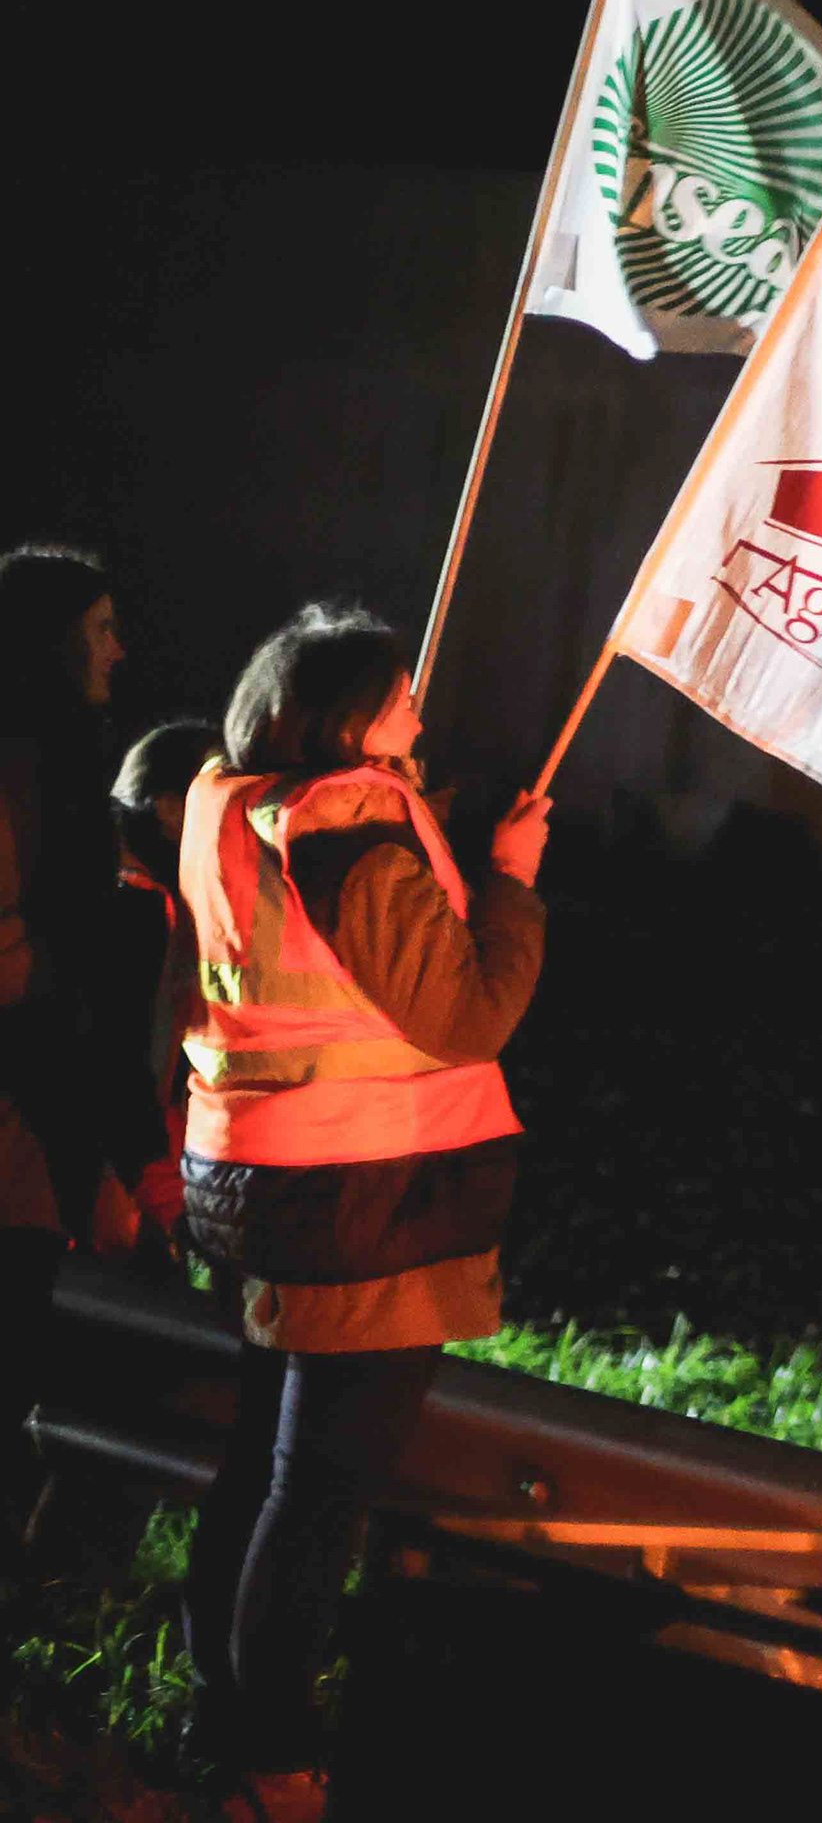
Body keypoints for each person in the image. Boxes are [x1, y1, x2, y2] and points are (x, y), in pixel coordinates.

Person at [175, 604, 552, 1808]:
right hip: (366, 1197)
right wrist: (511, 882)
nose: (420, 718)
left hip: (266, 1176)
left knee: (264, 1469)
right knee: (317, 1494)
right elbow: (467, 1015)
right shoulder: (352, 831)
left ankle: (223, 1716)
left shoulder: (240, 806)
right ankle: (276, 1760)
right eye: (402, 700)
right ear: (347, 719)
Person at [1, 543, 142, 1545]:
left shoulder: (60, 763)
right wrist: (60, 967)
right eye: (98, 629)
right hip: (21, 1096)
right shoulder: (20, 765)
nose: (118, 650)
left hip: (44, 1097)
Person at [109, 718, 223, 1263]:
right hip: (122, 1185)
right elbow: (125, 1061)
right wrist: (160, 1191)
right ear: (169, 808)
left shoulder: (120, 892)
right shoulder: (140, 907)